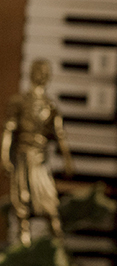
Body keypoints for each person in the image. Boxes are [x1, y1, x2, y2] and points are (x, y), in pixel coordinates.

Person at [2, 59, 74, 246]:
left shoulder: (50, 107)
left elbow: (59, 135)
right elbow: (9, 130)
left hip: (40, 160)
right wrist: (4, 156)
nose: (42, 76)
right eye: (39, 72)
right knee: (21, 202)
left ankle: (59, 247)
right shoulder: (19, 102)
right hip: (23, 156)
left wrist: (67, 159)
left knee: (50, 203)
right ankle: (23, 246)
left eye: (45, 73)